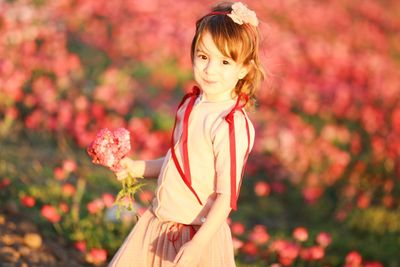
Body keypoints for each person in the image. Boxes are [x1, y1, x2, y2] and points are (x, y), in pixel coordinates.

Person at [109, 2, 264, 266]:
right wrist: (136, 168)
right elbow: (178, 162)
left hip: (196, 233)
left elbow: (226, 197)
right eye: (203, 56)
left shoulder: (229, 123)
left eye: (225, 61)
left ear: (244, 68)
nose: (210, 69)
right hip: (159, 224)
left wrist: (198, 245)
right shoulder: (192, 104)